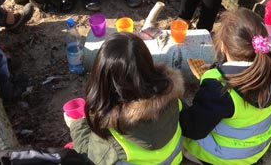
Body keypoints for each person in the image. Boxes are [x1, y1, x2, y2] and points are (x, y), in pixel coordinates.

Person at [180, 8, 271, 165]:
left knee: (175, 127)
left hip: (226, 156)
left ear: (223, 46)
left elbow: (194, 129)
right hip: (258, 146)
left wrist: (177, 104)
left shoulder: (218, 86)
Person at [65, 32, 185, 165]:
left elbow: (88, 157)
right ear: (148, 65)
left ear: (101, 82)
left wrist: (76, 125)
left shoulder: (111, 141)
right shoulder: (173, 99)